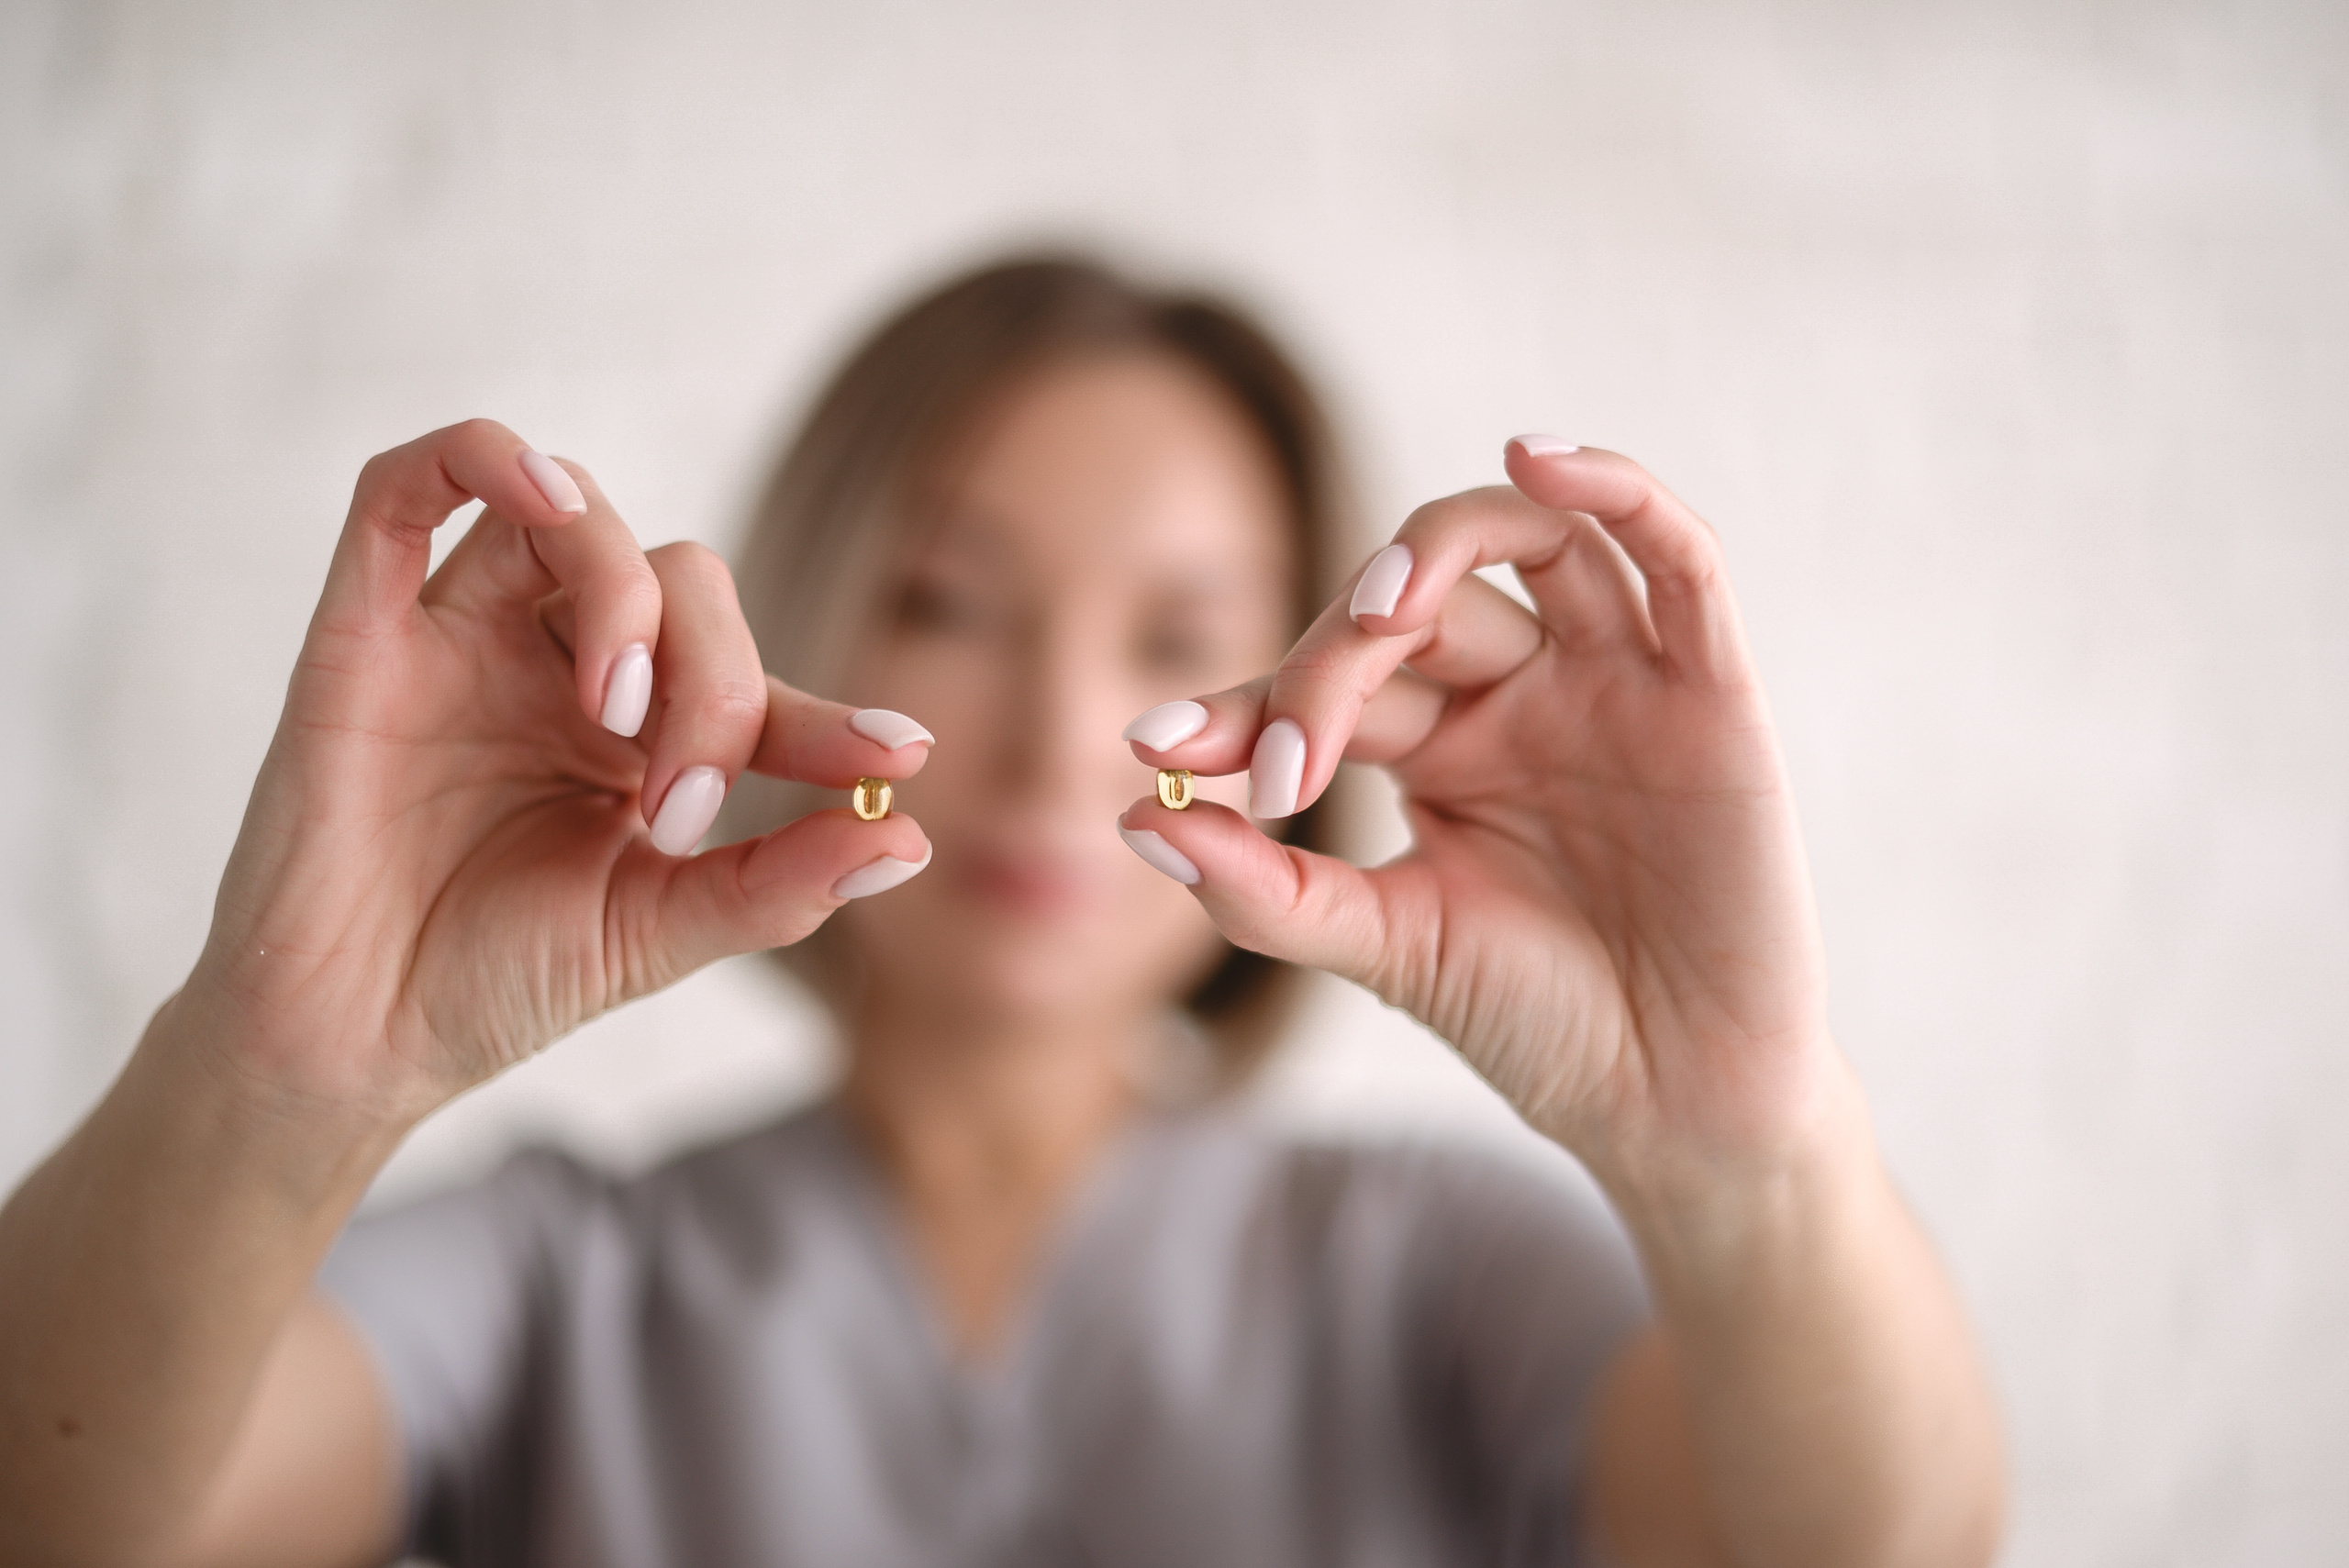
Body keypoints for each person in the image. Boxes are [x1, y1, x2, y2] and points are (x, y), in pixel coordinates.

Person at [0, 256, 2002, 1567]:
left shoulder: (1429, 1263)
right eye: (948, 606)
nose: (1051, 736)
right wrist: (275, 1066)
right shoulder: (558, 1280)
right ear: (791, 616)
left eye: (1183, 636)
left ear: (1318, 707)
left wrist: (1741, 1146)